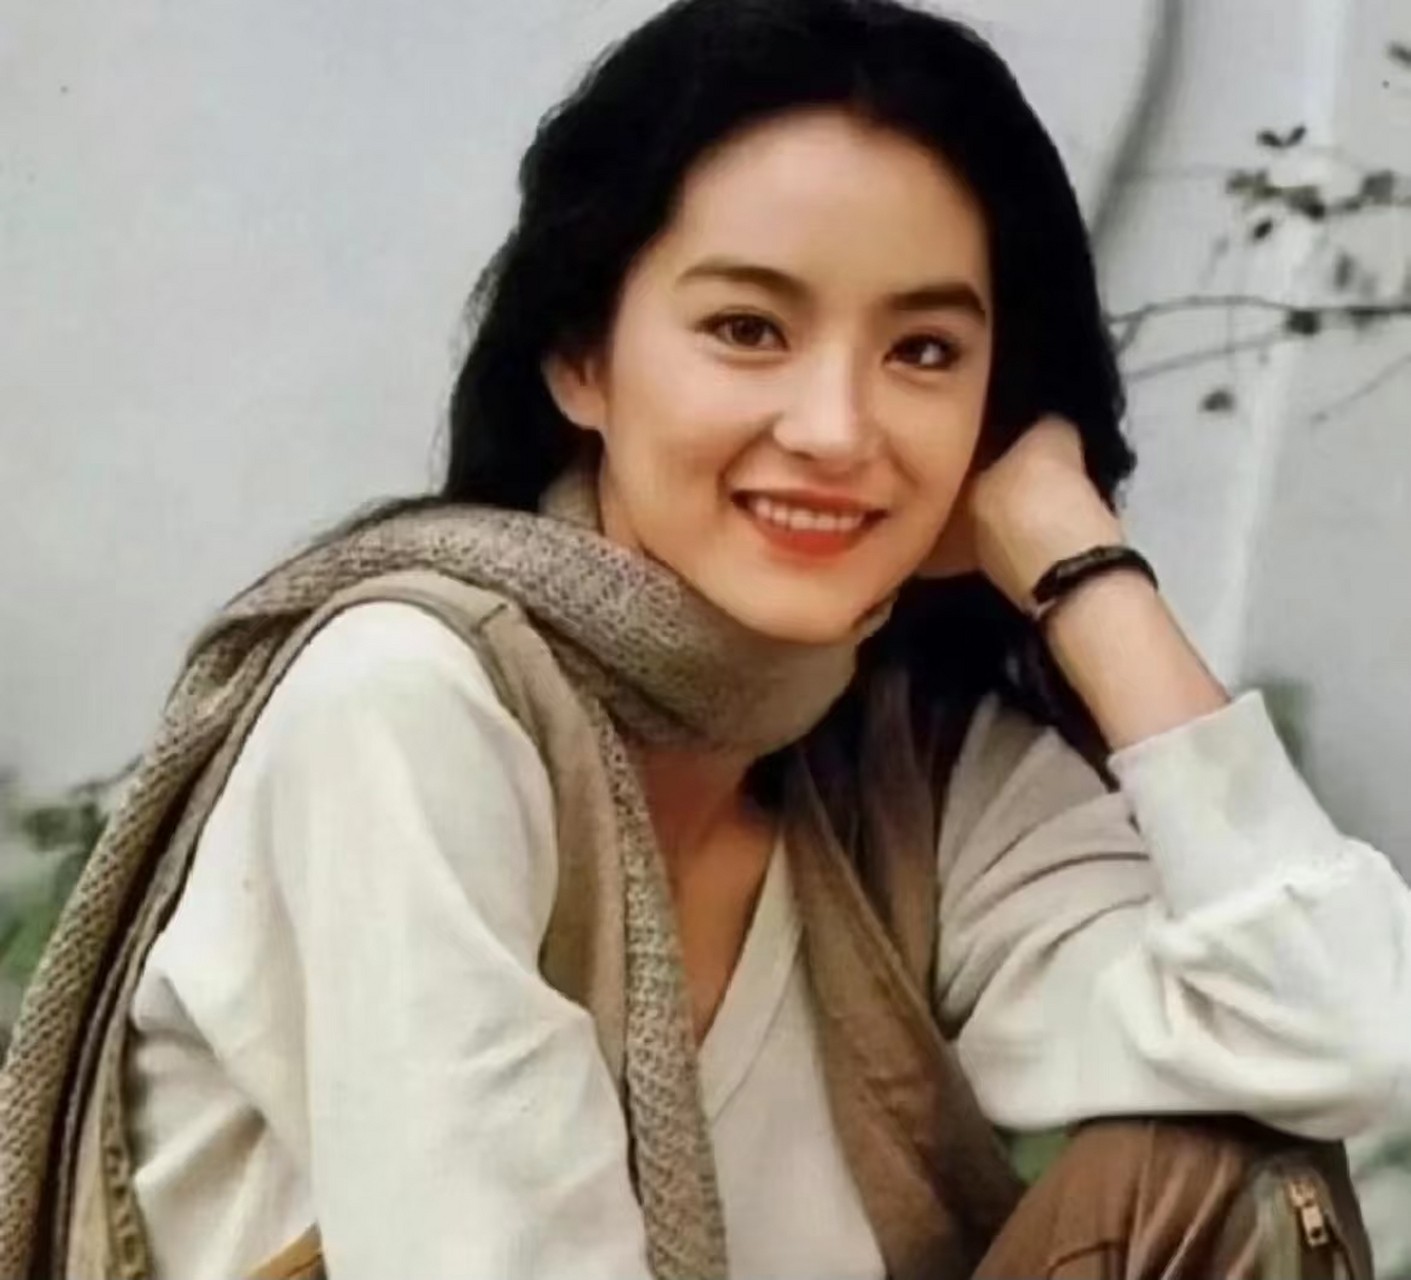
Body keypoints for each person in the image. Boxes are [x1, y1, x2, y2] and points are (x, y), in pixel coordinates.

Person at [2, 1, 1408, 1277]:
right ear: (582, 358)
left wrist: (1082, 566)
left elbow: (1347, 1031)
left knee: (1226, 1175)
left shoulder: (909, 780)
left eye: (923, 351)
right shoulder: (411, 706)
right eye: (748, 328)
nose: (838, 429)